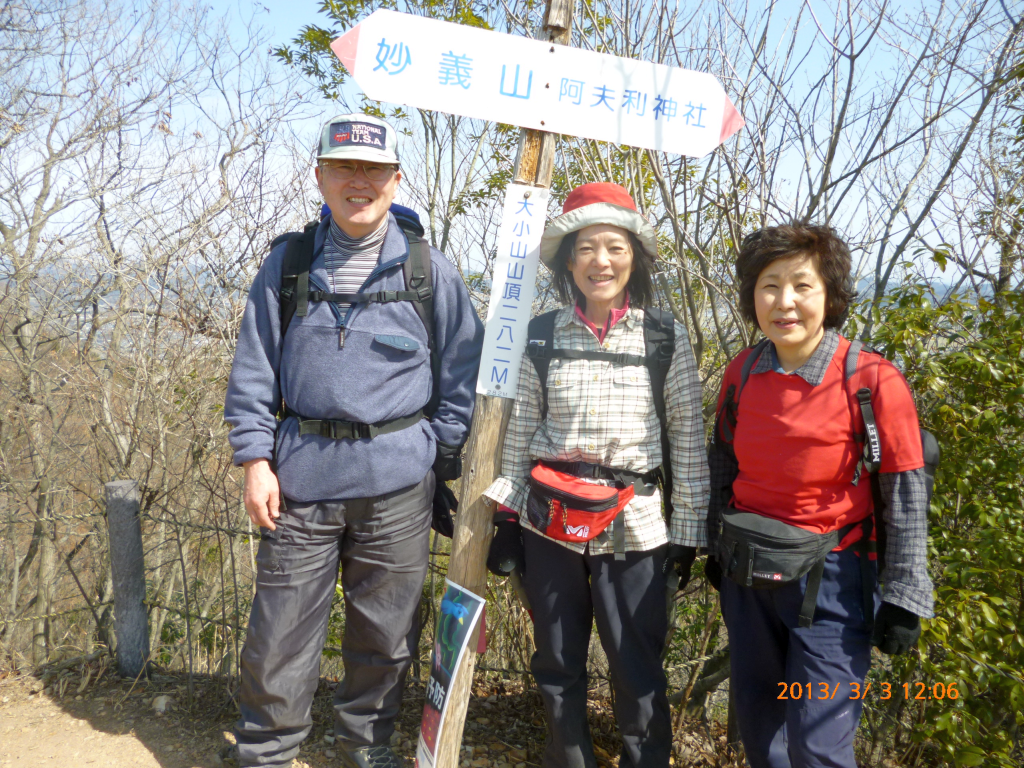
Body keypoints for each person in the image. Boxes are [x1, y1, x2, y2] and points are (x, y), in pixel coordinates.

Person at [223, 113, 483, 768]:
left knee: (386, 639)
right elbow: (253, 369)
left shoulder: (429, 271)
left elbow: (463, 379)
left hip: (398, 489)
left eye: (373, 169)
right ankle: (266, 753)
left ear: (396, 180)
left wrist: (434, 455)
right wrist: (256, 460)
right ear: (320, 176)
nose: (358, 182)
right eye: (344, 168)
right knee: (279, 636)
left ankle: (363, 753)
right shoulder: (290, 263)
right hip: (300, 484)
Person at [483, 182, 710, 768]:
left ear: (635, 255)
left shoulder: (663, 335)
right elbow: (520, 430)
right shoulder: (542, 333)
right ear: (566, 260)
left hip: (634, 519)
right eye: (585, 248)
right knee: (557, 659)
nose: (599, 261)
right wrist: (507, 517)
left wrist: (687, 531)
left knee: (636, 661)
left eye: (614, 246)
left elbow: (686, 434)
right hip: (549, 518)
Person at [706, 223, 934, 767]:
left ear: (828, 294)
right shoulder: (742, 372)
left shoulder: (871, 379)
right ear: (751, 297)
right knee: (762, 730)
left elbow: (904, 489)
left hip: (831, 580)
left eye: (801, 285)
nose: (784, 301)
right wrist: (714, 546)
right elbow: (722, 463)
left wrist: (904, 594)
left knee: (818, 742)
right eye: (768, 285)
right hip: (748, 571)